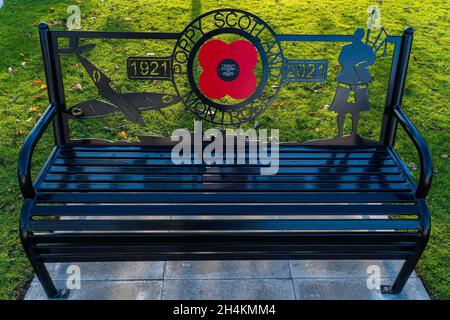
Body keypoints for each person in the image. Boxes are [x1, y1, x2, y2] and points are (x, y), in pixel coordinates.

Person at [330, 28, 376, 137]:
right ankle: (340, 133)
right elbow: (342, 60)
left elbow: (372, 59)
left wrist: (364, 63)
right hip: (346, 79)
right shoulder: (347, 48)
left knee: (357, 109)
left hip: (359, 80)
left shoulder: (367, 49)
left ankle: (354, 132)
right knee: (341, 108)